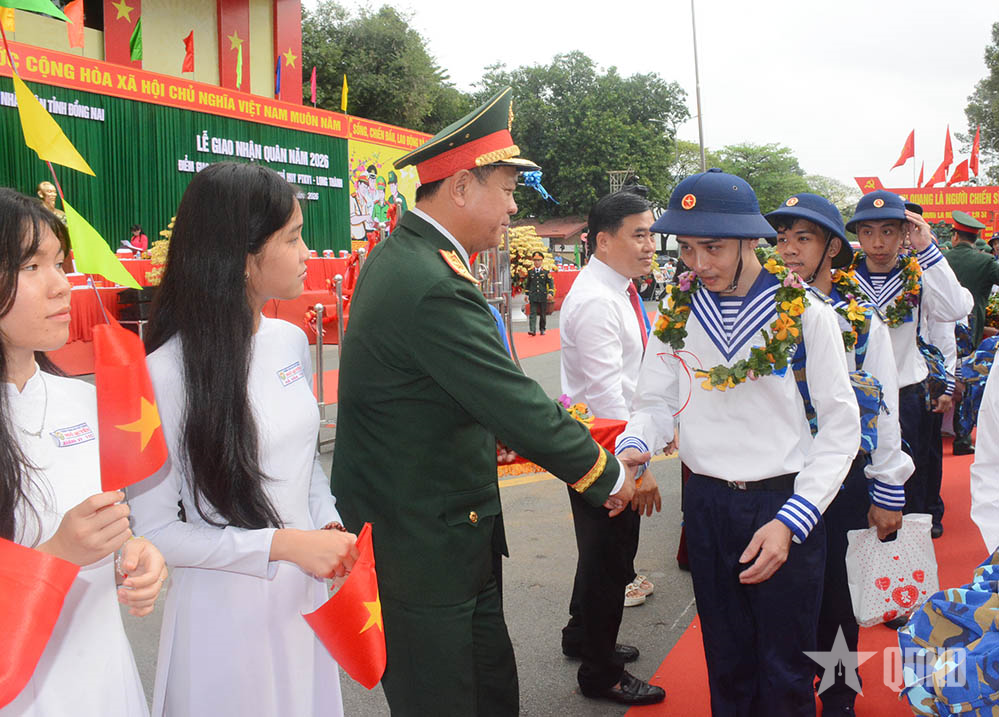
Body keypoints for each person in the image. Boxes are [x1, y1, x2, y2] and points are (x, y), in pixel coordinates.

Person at [331, 87, 638, 717]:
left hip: (442, 528)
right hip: (425, 539)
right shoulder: (430, 280)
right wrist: (604, 474)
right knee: (448, 695)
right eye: (505, 188)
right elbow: (510, 398)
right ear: (462, 187)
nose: (514, 205)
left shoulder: (422, 258)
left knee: (485, 686)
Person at [617, 169, 861, 716]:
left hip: (785, 503)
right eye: (686, 248)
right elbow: (655, 401)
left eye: (713, 247)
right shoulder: (677, 311)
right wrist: (636, 446)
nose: (699, 264)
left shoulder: (806, 315)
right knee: (725, 657)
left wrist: (792, 520)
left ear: (751, 240)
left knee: (786, 665)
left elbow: (842, 427)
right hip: (706, 502)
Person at [127, 163, 358, 717]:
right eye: (294, 238)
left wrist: (325, 520)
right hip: (222, 620)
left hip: (302, 598)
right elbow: (158, 531)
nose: (308, 253)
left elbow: (304, 460)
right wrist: (283, 545)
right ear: (243, 255)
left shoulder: (290, 342)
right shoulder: (163, 375)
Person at [0, 188, 167, 715]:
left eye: (59, 263)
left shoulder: (85, 401)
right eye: (31, 265)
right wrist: (56, 556)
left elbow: (116, 522)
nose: (59, 286)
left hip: (104, 678)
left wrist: (136, 552)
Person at [767, 192, 913, 715]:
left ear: (832, 248)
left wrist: (887, 486)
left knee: (837, 599)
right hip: (780, 476)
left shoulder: (859, 319)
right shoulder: (765, 311)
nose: (788, 250)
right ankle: (785, 690)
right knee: (781, 597)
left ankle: (839, 695)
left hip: (842, 477)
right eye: (783, 238)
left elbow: (885, 404)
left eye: (803, 238)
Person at [558, 190, 665, 706]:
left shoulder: (616, 288)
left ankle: (583, 637)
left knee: (599, 553)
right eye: (639, 234)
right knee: (610, 561)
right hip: (606, 450)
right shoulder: (599, 301)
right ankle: (600, 674)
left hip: (608, 442)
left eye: (652, 233)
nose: (651, 245)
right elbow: (606, 398)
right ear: (604, 241)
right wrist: (637, 469)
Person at [845, 190, 971, 540]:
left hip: (906, 394)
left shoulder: (918, 274)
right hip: (856, 400)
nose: (878, 242)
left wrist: (928, 248)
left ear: (904, 234)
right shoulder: (844, 280)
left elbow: (955, 308)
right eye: (868, 232)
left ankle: (909, 563)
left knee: (911, 483)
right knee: (858, 485)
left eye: (888, 231)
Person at [944, 211, 999, 454]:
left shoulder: (941, 259)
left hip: (940, 327)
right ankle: (962, 439)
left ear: (955, 236)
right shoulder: (985, 262)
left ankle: (934, 431)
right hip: (971, 329)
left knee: (939, 375)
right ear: (975, 238)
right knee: (966, 382)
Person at [525, 250, 554, 335]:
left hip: (542, 295)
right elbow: (528, 284)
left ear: (541, 261)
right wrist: (526, 294)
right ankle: (532, 330)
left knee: (542, 313)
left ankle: (542, 329)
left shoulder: (545, 272)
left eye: (538, 260)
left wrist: (550, 293)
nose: (537, 262)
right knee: (532, 313)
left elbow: (550, 283)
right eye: (535, 260)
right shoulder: (531, 272)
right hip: (533, 295)